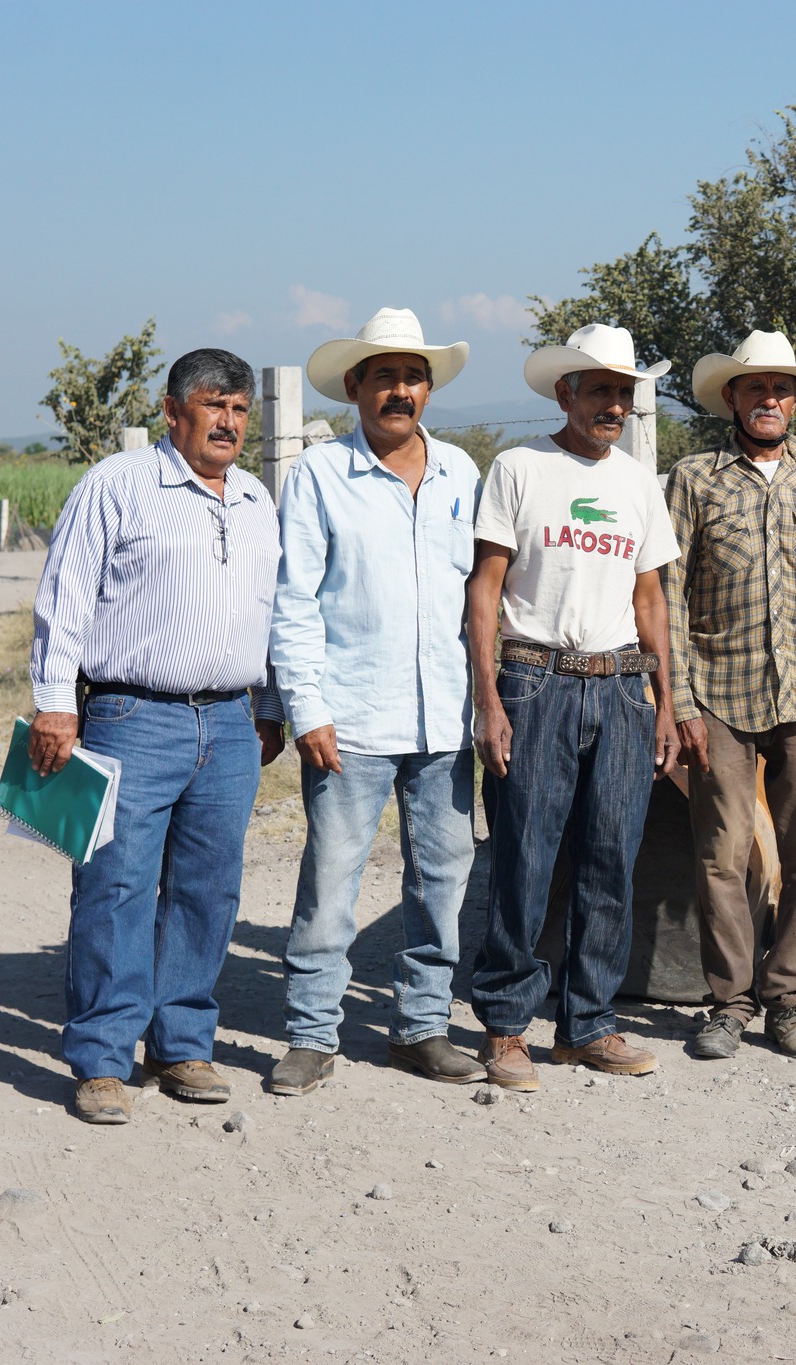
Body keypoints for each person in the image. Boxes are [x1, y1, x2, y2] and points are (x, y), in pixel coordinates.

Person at [27, 349, 287, 1125]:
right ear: (173, 410)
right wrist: (53, 703)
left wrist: (268, 704)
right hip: (132, 717)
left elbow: (267, 613)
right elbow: (64, 595)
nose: (229, 422)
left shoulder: (254, 500)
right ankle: (103, 1059)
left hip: (231, 723)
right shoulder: (119, 483)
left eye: (240, 409)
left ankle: (181, 1045)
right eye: (213, 406)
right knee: (116, 886)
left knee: (209, 890)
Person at [265, 308, 485, 1097]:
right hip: (350, 716)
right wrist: (307, 707)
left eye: (413, 375)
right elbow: (293, 601)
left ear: (429, 387)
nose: (400, 390)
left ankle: (422, 1026)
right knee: (331, 878)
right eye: (384, 375)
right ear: (354, 385)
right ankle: (311, 1033)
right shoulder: (322, 475)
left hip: (445, 716)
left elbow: (481, 598)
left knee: (443, 878)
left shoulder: (463, 473)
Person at [466, 323, 681, 1091]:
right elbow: (485, 590)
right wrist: (488, 697)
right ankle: (506, 1026)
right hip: (536, 676)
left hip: (621, 682)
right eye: (601, 391)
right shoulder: (520, 469)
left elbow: (650, 597)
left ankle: (587, 1023)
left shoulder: (638, 481)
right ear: (566, 392)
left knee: (609, 855)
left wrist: (664, 699)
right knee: (525, 854)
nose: (615, 405)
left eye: (624, 393)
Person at [668, 329, 796, 1061]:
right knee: (721, 853)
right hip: (718, 691)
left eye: (781, 387)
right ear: (732, 398)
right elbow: (668, 593)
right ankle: (728, 1002)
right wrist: (680, 701)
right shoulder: (693, 478)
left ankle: (787, 998)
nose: (770, 399)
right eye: (756, 388)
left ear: (794, 399)